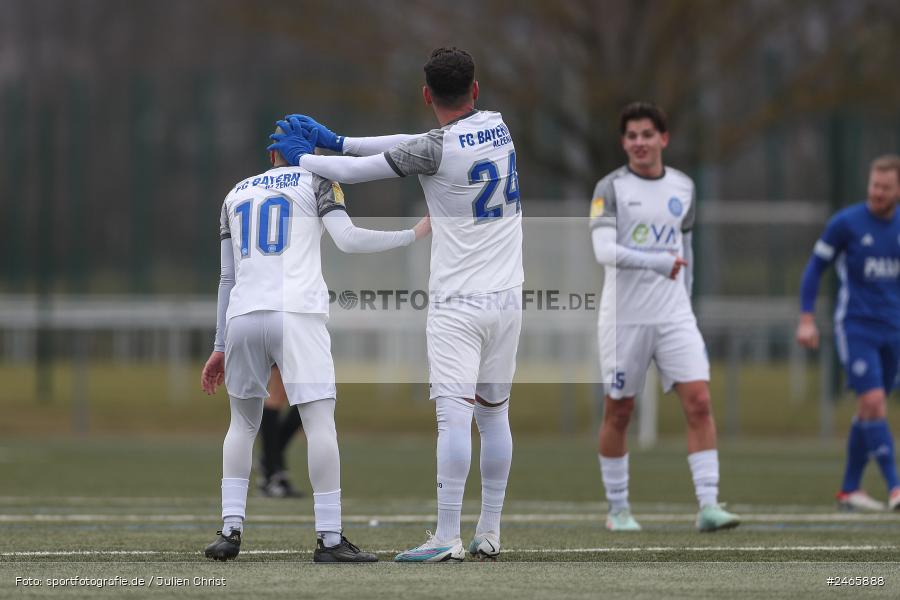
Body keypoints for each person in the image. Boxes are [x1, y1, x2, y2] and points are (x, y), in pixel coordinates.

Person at [268, 47, 522, 562]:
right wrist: (337, 140)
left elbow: (366, 170)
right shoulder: (499, 126)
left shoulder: (435, 149)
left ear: (426, 94)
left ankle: (447, 534)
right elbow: (410, 144)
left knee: (454, 418)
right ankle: (489, 531)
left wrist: (305, 157)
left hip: (459, 302)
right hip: (509, 297)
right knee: (495, 417)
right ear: (475, 90)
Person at [200, 124, 431, 562]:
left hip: (243, 316)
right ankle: (328, 538)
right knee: (320, 421)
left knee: (241, 425)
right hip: (298, 314)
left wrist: (220, 344)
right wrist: (412, 235)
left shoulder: (235, 193)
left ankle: (230, 531)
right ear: (311, 153)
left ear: (272, 155)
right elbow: (347, 240)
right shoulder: (319, 179)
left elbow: (227, 278)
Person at [589, 102, 740, 533]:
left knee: (700, 401)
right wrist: (657, 262)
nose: (639, 142)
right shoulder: (610, 188)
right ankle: (618, 509)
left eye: (646, 134)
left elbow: (685, 252)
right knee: (619, 411)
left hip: (674, 315)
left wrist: (686, 304)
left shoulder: (684, 187)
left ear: (663, 138)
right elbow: (604, 253)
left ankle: (709, 506)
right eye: (631, 136)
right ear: (624, 143)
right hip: (625, 320)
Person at [796, 154, 900, 512]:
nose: (878, 193)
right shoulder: (846, 223)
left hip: (894, 330)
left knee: (869, 410)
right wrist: (806, 317)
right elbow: (815, 268)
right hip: (855, 326)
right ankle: (896, 487)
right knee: (873, 402)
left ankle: (849, 490)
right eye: (874, 185)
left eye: (886, 188)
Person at [257, 366, 305, 498]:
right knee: (277, 392)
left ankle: (269, 462)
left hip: (306, 344)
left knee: (314, 393)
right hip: (286, 345)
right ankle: (271, 472)